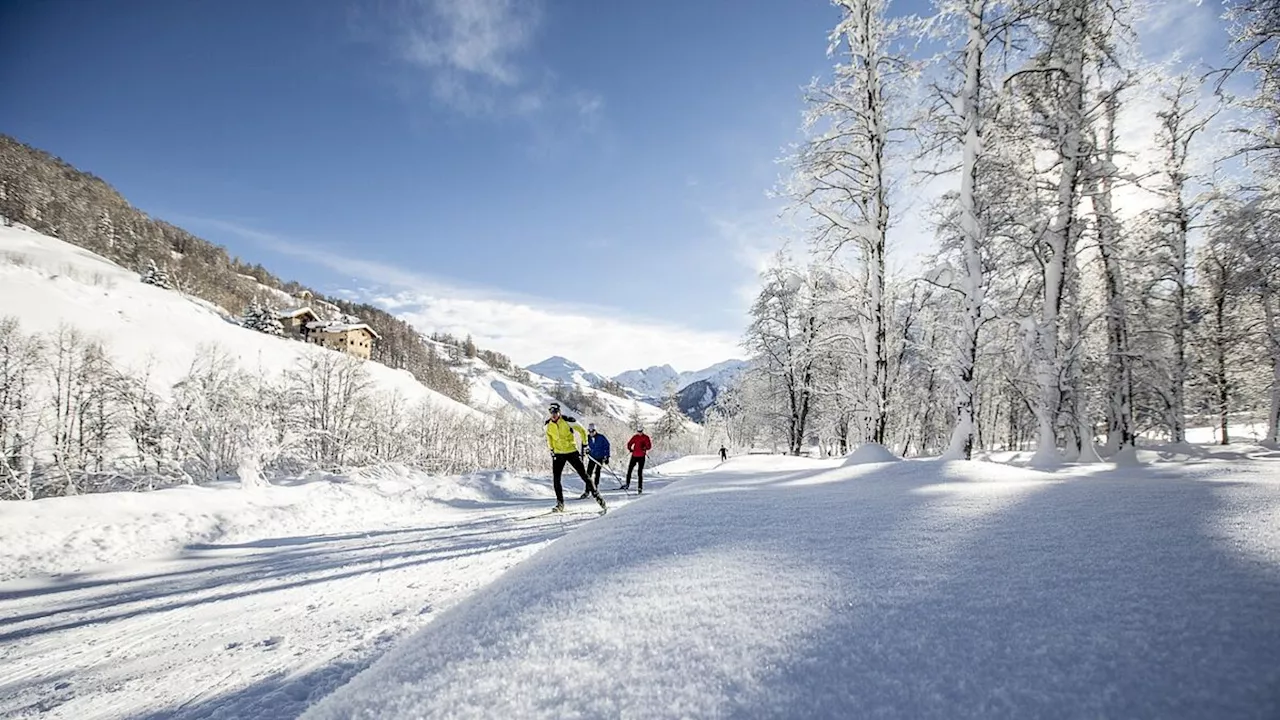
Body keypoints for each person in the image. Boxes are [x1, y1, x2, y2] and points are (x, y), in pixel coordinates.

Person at [545, 403, 607, 513]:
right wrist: (551, 449)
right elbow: (548, 437)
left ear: (559, 412)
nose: (553, 415)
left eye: (555, 412)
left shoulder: (568, 420)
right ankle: (560, 504)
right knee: (556, 478)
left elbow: (582, 430)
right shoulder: (547, 425)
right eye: (552, 413)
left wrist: (585, 445)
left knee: (584, 475)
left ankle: (599, 498)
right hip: (558, 454)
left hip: (571, 452)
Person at [582, 423, 611, 497]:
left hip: (600, 458)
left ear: (595, 430)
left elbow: (607, 446)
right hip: (592, 458)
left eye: (592, 431)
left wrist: (607, 457)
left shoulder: (601, 437)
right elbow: (583, 446)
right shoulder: (587, 438)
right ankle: (587, 491)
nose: (591, 433)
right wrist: (584, 453)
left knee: (597, 473)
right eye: (589, 431)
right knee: (588, 474)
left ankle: (595, 489)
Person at [623, 426, 652, 494]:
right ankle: (627, 484)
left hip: (641, 456)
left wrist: (645, 447)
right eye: (638, 431)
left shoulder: (646, 437)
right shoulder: (635, 437)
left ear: (642, 431)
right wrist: (630, 448)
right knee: (630, 469)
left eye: (640, 431)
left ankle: (640, 487)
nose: (639, 433)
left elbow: (649, 446)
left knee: (639, 472)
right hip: (634, 455)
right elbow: (629, 443)